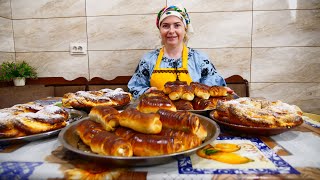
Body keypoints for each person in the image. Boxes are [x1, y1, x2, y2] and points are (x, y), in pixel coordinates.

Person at [128, 5, 227, 99]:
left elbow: (215, 88)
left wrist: (222, 91)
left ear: (185, 29)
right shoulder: (148, 59)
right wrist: (146, 92)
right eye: (166, 26)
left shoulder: (199, 59)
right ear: (160, 30)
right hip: (159, 114)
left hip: (194, 115)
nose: (171, 31)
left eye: (177, 25)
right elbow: (134, 88)